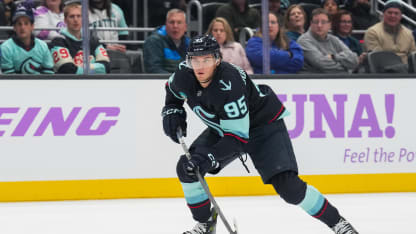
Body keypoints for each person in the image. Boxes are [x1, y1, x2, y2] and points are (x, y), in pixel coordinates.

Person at [162, 34, 359, 234]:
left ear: (218, 59)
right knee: (187, 168)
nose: (200, 66)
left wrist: (209, 157)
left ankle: (338, 223)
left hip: (263, 127)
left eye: (207, 59)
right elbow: (172, 91)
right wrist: (172, 109)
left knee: (290, 188)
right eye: (195, 60)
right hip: (225, 127)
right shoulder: (183, 74)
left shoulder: (229, 83)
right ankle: (205, 223)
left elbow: (237, 138)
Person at [49, 1, 110, 74]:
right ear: (65, 20)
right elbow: (66, 69)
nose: (75, 20)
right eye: (72, 16)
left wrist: (81, 68)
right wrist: (94, 68)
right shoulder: (58, 41)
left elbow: (106, 67)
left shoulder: (93, 40)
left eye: (79, 16)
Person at [297, 8, 358, 73]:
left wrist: (333, 57)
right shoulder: (304, 41)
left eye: (323, 22)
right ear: (311, 23)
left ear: (329, 25)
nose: (319, 25)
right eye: (316, 22)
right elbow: (322, 64)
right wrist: (347, 69)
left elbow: (354, 59)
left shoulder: (334, 39)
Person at [1, 4, 54, 74]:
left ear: (32, 26)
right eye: (19, 24)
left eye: (26, 23)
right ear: (14, 27)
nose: (22, 27)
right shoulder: (6, 48)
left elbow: (49, 73)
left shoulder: (43, 46)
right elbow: (9, 77)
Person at [364, 0, 416, 64]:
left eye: (396, 13)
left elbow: (413, 55)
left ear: (401, 16)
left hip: (407, 70)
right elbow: (377, 58)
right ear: (383, 14)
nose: (393, 16)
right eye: (389, 12)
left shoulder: (409, 33)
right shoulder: (372, 32)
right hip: (383, 70)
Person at [143, 8, 189, 73]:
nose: (175, 26)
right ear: (166, 25)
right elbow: (153, 69)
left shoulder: (189, 43)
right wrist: (176, 79)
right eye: (172, 22)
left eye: (179, 22)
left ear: (185, 27)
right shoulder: (153, 41)